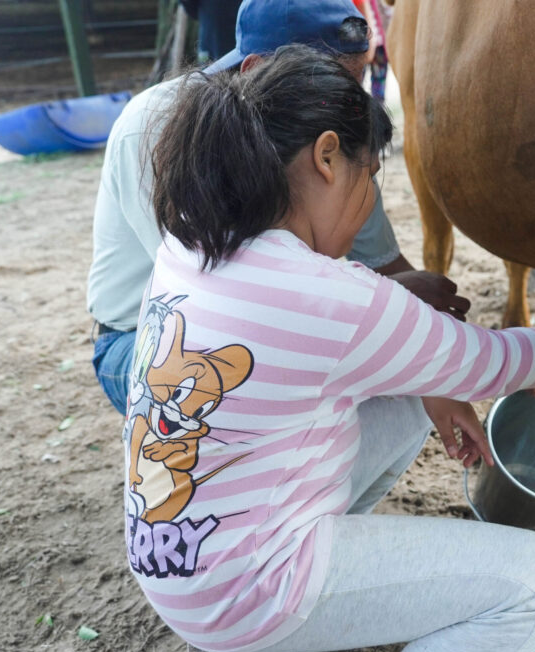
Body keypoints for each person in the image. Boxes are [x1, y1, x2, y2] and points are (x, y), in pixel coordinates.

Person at [123, 45, 535, 652]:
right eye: (371, 176)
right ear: (327, 156)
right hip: (244, 593)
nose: (367, 206)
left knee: (417, 389)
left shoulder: (193, 233)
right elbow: (490, 363)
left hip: (176, 555)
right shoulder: (332, 298)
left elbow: (332, 327)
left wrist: (417, 351)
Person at [87, 0, 467, 418]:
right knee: (337, 361)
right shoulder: (159, 129)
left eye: (357, 79)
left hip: (251, 320)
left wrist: (431, 343)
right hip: (152, 339)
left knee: (405, 358)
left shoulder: (334, 134)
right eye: (333, 82)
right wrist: (391, 306)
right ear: (256, 70)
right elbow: (224, 303)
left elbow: (382, 260)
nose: (352, 102)